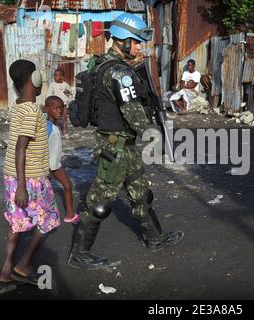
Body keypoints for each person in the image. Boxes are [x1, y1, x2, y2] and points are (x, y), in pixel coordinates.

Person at [67, 13, 184, 270]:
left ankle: (155, 238)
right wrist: (155, 132)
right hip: (115, 148)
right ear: (123, 40)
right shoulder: (120, 73)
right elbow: (134, 115)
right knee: (99, 203)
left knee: (141, 192)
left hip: (122, 144)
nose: (140, 46)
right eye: (137, 42)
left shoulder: (102, 64)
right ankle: (79, 253)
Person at [0, 60, 61, 289]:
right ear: (35, 79)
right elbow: (20, 148)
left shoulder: (18, 106)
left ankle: (6, 271)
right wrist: (23, 186)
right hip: (30, 179)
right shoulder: (33, 110)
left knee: (17, 224)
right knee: (49, 221)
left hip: (13, 175)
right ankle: (23, 264)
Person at [44, 95, 81, 224]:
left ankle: (70, 215)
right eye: (56, 108)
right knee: (44, 193)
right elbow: (41, 147)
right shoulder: (46, 126)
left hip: (55, 164)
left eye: (61, 108)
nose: (59, 111)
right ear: (47, 109)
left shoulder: (53, 125)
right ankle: (42, 220)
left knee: (67, 185)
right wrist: (46, 168)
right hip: (47, 166)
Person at [47, 68, 73, 135]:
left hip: (63, 104)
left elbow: (70, 92)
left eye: (58, 75)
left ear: (62, 77)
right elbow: (49, 95)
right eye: (55, 75)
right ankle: (53, 130)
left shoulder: (65, 84)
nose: (56, 77)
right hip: (55, 105)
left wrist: (68, 92)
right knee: (54, 118)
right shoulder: (52, 85)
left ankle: (65, 130)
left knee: (64, 118)